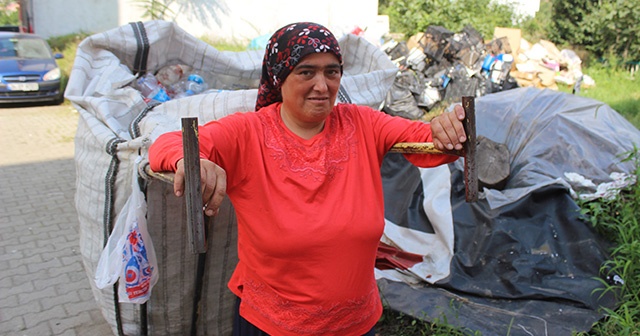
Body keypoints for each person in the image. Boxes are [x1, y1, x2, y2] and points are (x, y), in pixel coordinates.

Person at [149, 22, 468, 336]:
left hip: (356, 322)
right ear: (279, 76)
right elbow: (168, 144)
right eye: (306, 72)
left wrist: (448, 128)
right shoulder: (248, 133)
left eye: (332, 71)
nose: (322, 85)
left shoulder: (362, 124)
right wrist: (192, 162)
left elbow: (427, 142)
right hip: (272, 325)